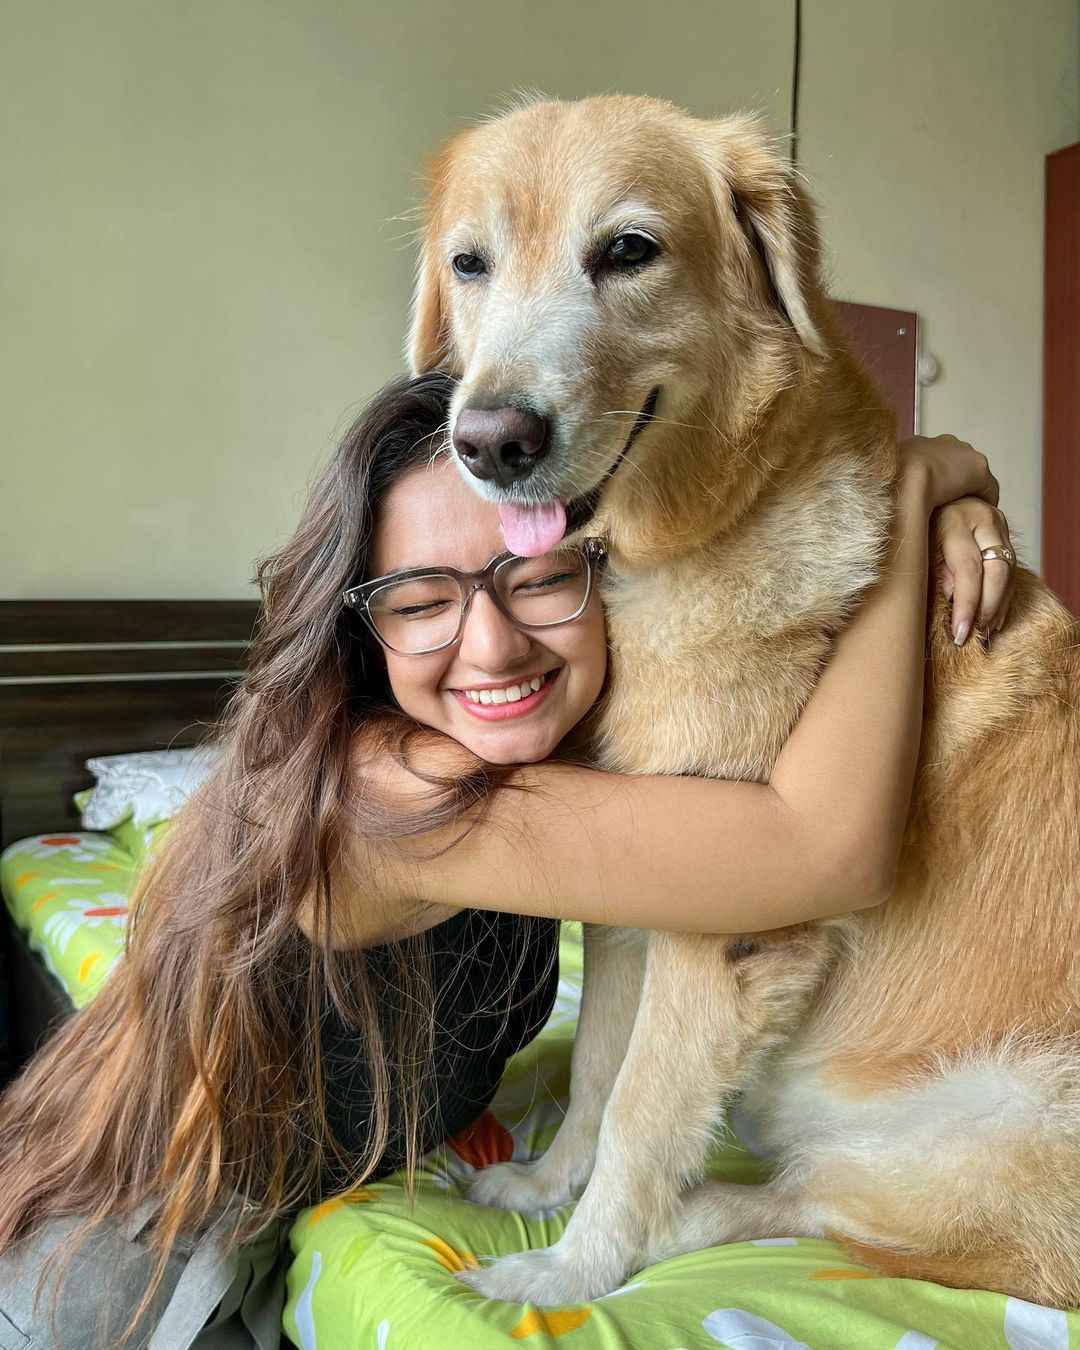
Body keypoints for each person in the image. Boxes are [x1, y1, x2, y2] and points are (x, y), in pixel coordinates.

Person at [0, 371, 1012, 1348]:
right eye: (420, 601)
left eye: (535, 579)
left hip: (270, 1215)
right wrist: (914, 495)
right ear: (364, 629)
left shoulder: (559, 755)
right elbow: (819, 852)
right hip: (120, 1264)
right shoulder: (388, 795)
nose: (491, 649)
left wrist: (940, 500)